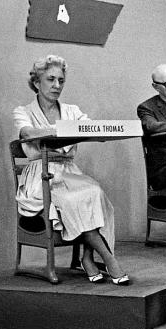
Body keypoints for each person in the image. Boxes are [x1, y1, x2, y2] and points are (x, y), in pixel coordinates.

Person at [14, 55, 129, 285]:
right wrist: (61, 130)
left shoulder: (72, 110)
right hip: (40, 175)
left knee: (95, 192)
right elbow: (27, 133)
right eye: (51, 79)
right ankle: (108, 258)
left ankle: (87, 257)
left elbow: (88, 126)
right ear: (37, 82)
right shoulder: (22, 111)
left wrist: (99, 132)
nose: (57, 85)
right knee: (75, 200)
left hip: (69, 172)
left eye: (61, 80)